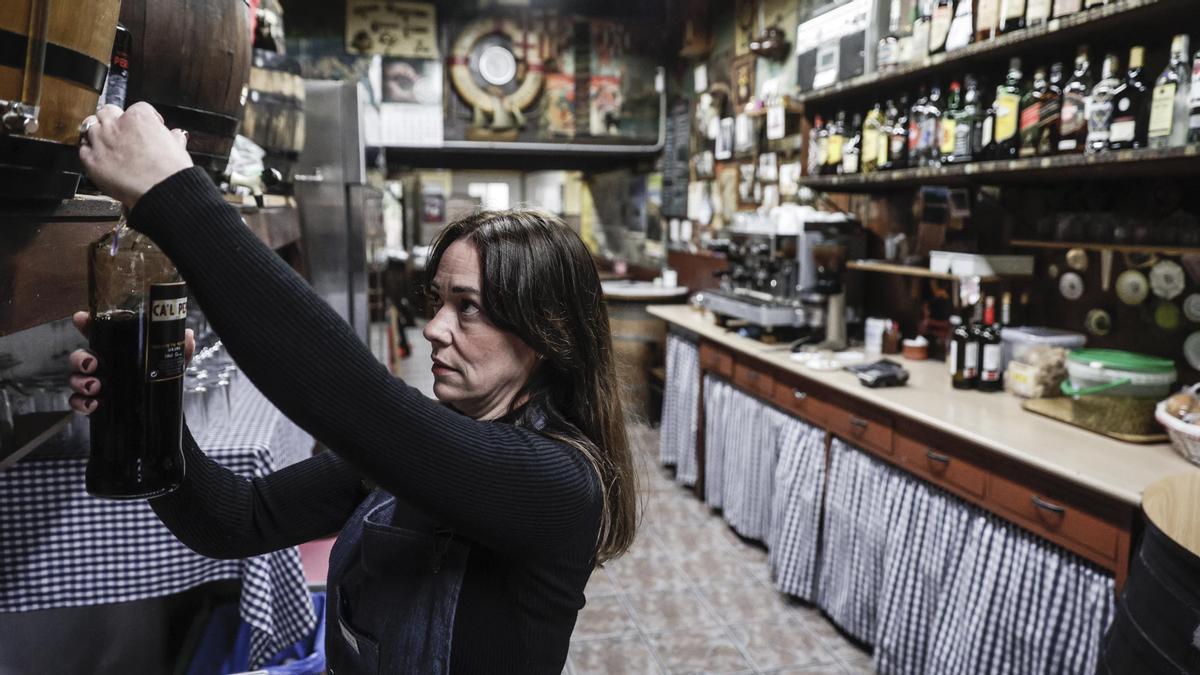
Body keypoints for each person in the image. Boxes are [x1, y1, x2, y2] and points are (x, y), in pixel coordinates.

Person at [67, 102, 638, 674]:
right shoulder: (424, 449)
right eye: (439, 302)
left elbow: (348, 396)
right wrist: (150, 406)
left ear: (544, 335)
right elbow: (238, 519)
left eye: (469, 309)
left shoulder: (559, 482)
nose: (435, 329)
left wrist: (173, 195)